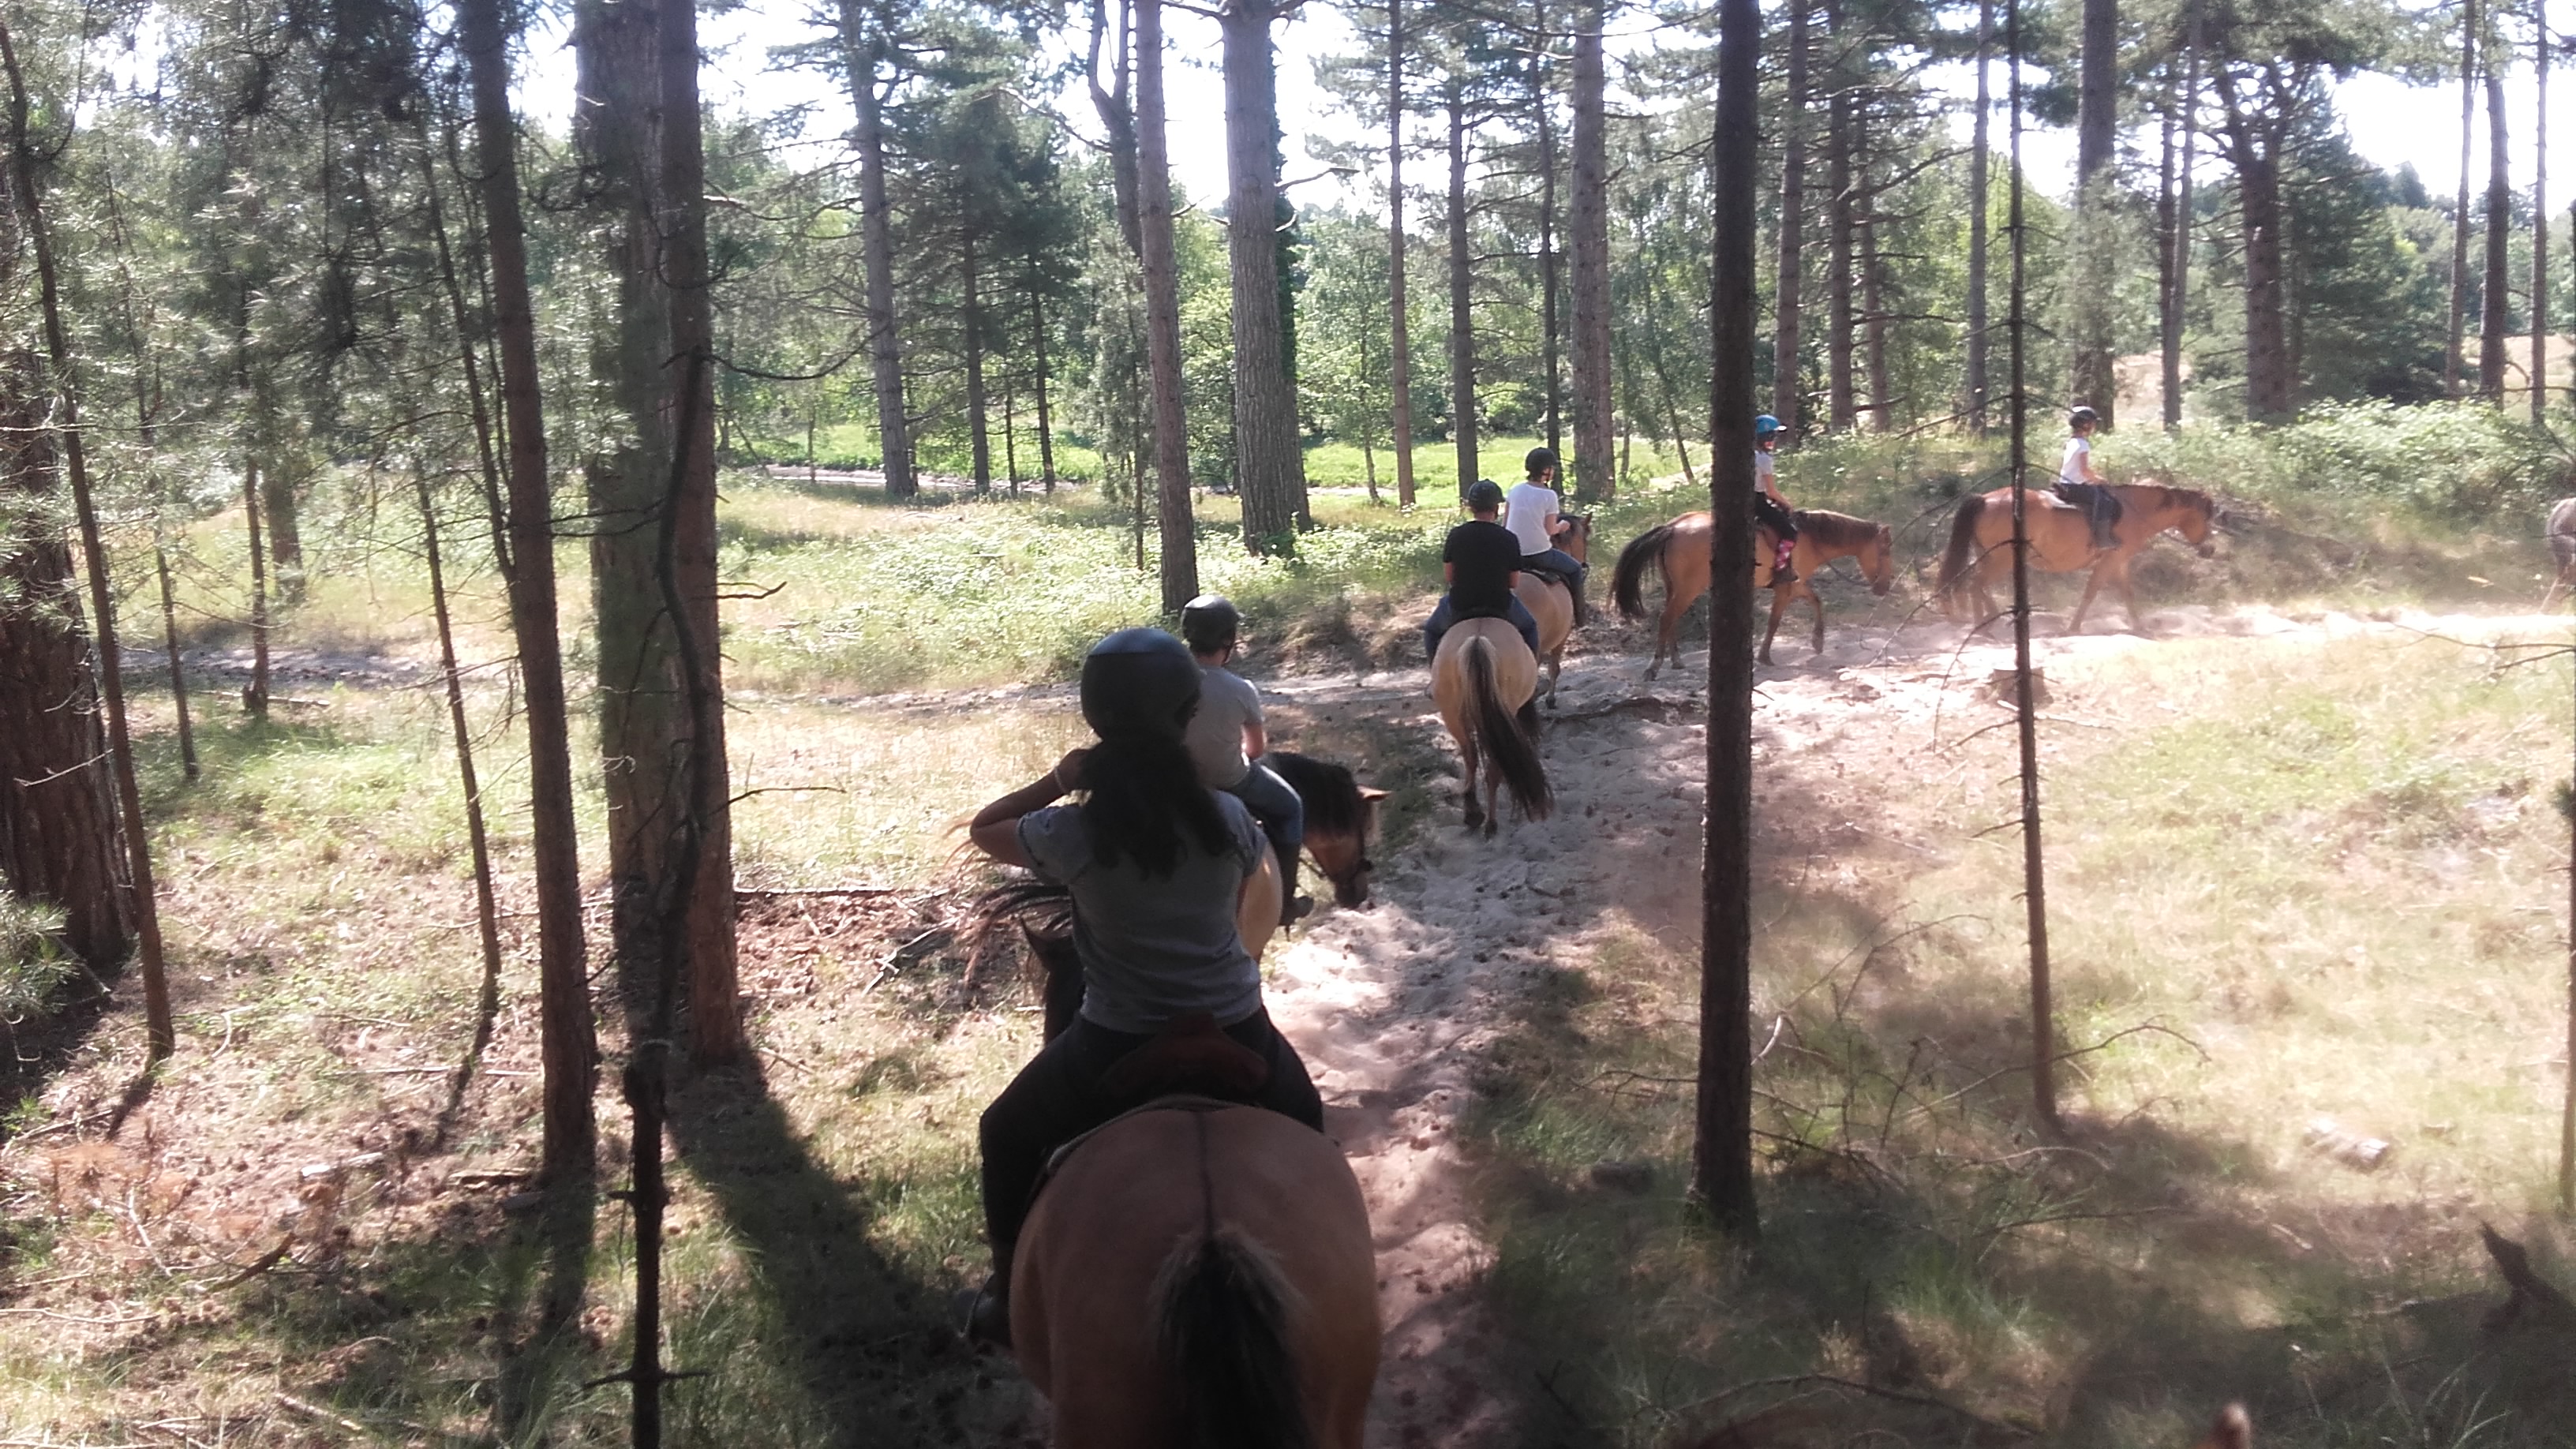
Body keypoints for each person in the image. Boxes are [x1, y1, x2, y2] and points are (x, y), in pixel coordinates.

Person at [963, 627, 1326, 1347]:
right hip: (1234, 1026)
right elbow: (1234, 906)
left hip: (1115, 1038)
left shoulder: (1070, 833)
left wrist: (1062, 778)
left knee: (1004, 1134)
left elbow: (985, 828)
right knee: (1308, 1126)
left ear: (1095, 721)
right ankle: (1327, 1271)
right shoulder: (1232, 819)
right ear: (1189, 715)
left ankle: (1006, 1300)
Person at [1178, 594, 1312, 928]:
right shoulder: (1241, 689)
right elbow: (1256, 749)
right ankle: (1285, 903)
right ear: (1228, 639)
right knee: (1291, 808)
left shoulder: (1169, 682)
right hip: (1229, 778)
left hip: (1177, 780)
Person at [1424, 479, 1544, 660]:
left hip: (1461, 604)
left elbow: (1449, 576)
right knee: (1530, 628)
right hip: (1500, 604)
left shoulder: (1456, 535)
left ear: (1471, 507)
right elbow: (1513, 582)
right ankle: (1532, 672)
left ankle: (1434, 673)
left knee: (1431, 631)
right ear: (1496, 507)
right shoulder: (1509, 538)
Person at [1503, 447, 1589, 624]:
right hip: (1539, 554)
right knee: (1575, 569)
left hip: (1512, 554)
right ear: (1546, 470)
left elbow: (1505, 525)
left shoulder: (1514, 491)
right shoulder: (1549, 495)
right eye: (1552, 468)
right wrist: (1563, 526)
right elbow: (1550, 530)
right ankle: (1581, 618)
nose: (1553, 471)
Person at [2054, 405, 2121, 551]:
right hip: (2075, 487)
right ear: (2086, 425)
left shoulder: (2071, 441)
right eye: (2093, 423)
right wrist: (2099, 480)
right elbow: (2084, 470)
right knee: (2106, 502)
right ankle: (2103, 540)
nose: (2094, 426)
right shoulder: (2083, 444)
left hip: (2065, 484)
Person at [1753, 414, 1799, 585]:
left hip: (1745, 499)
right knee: (1790, 532)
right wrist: (1786, 503)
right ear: (1767, 437)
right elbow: (1771, 491)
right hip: (1757, 502)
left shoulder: (1748, 455)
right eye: (1773, 435)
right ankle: (1781, 569)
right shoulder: (1764, 459)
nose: (1775, 439)